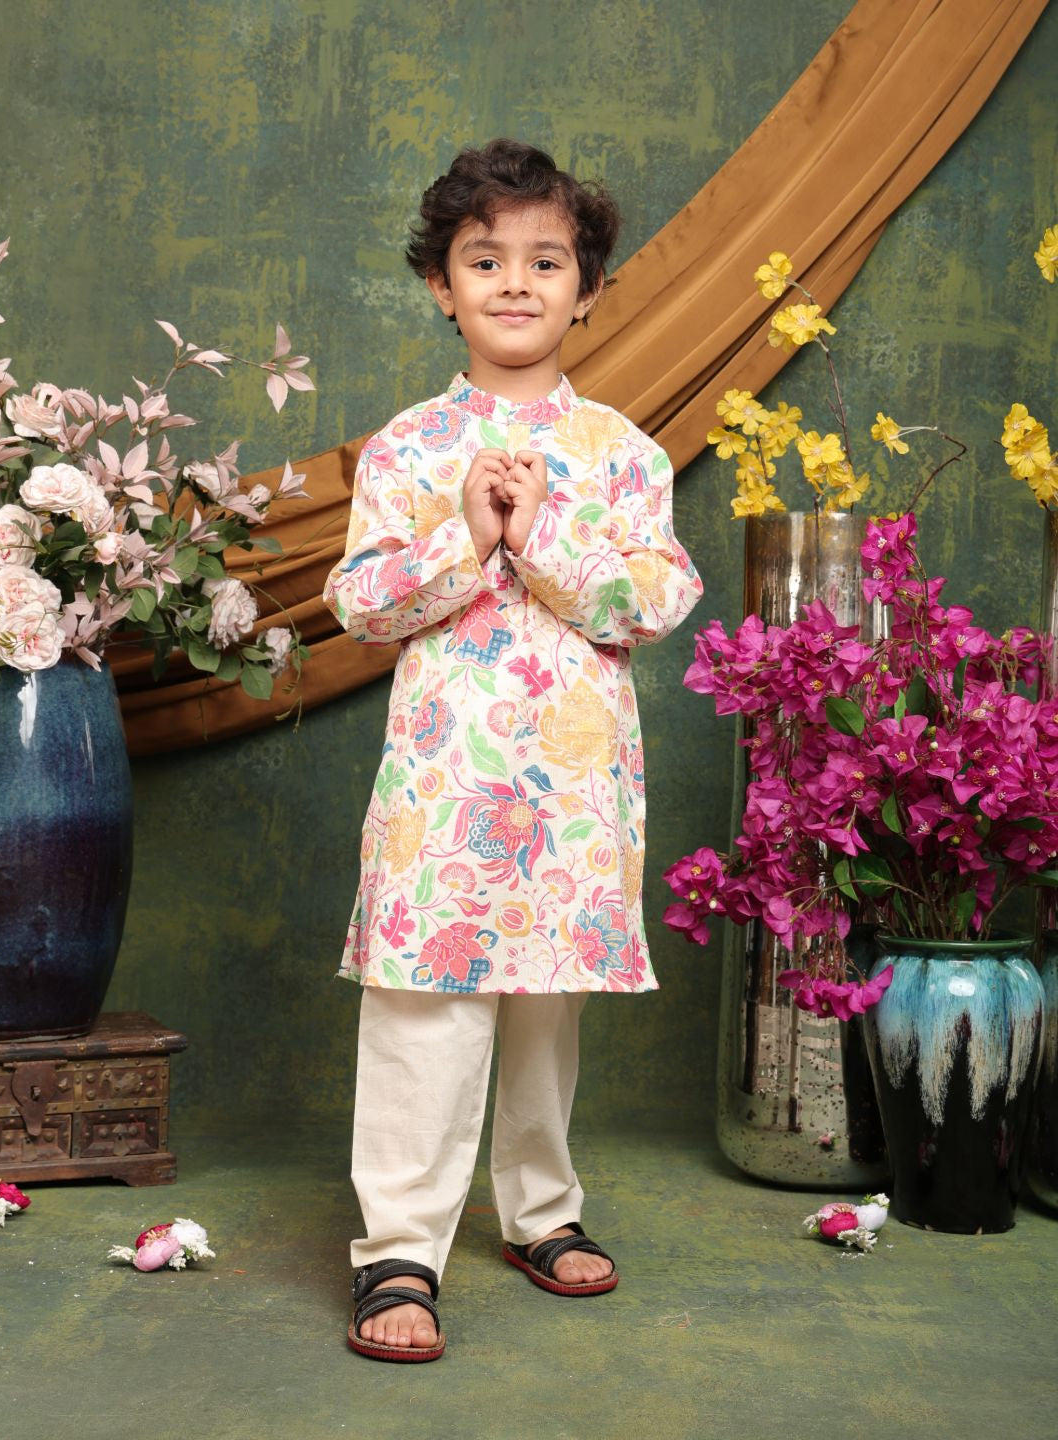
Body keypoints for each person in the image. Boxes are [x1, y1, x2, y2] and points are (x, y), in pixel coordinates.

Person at [323, 138, 703, 1363]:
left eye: (548, 260)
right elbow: (361, 605)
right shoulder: (404, 451)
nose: (517, 282)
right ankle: (398, 1247)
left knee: (544, 1003)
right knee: (428, 1000)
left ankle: (540, 1209)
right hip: (447, 780)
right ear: (443, 284)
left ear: (587, 287)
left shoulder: (627, 456)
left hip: (577, 787)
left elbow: (651, 603)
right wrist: (463, 537)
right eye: (485, 260)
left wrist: (540, 541)